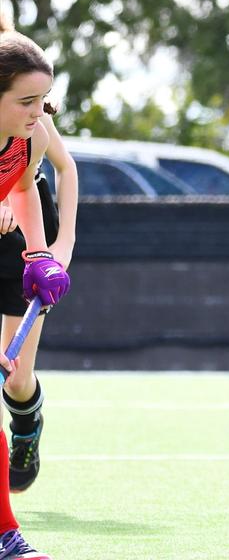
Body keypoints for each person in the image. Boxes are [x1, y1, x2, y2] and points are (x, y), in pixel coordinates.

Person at [0, 12, 73, 560]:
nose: (40, 112)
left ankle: (5, 537)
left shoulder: (25, 139)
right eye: (27, 101)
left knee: (14, 379)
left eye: (44, 98)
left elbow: (25, 189)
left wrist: (40, 253)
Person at [0, 109, 77, 493]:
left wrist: (60, 246)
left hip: (25, 245)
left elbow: (66, 168)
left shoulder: (29, 122)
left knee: (15, 379)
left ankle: (26, 429)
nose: (37, 106)